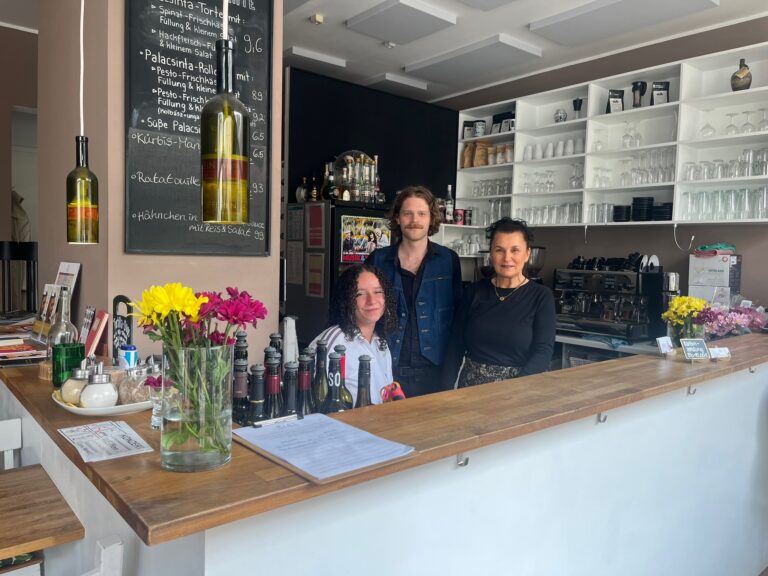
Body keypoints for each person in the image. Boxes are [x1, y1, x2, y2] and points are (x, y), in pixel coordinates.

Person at [367, 185, 462, 398]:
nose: (414, 220)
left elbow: (458, 318)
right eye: (407, 213)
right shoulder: (378, 260)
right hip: (387, 369)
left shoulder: (448, 260)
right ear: (398, 218)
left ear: (431, 218)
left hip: (435, 371)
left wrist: (450, 374)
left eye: (421, 213)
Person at [442, 217, 555, 389]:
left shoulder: (541, 296)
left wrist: (515, 391)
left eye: (515, 250)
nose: (506, 258)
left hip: (518, 391)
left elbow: (543, 352)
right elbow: (455, 344)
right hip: (471, 391)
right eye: (499, 250)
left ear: (527, 254)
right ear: (491, 254)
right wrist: (445, 391)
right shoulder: (474, 292)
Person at [310, 263, 398, 405]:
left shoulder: (380, 342)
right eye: (360, 294)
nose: (372, 301)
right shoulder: (334, 341)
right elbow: (311, 396)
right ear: (346, 300)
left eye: (377, 292)